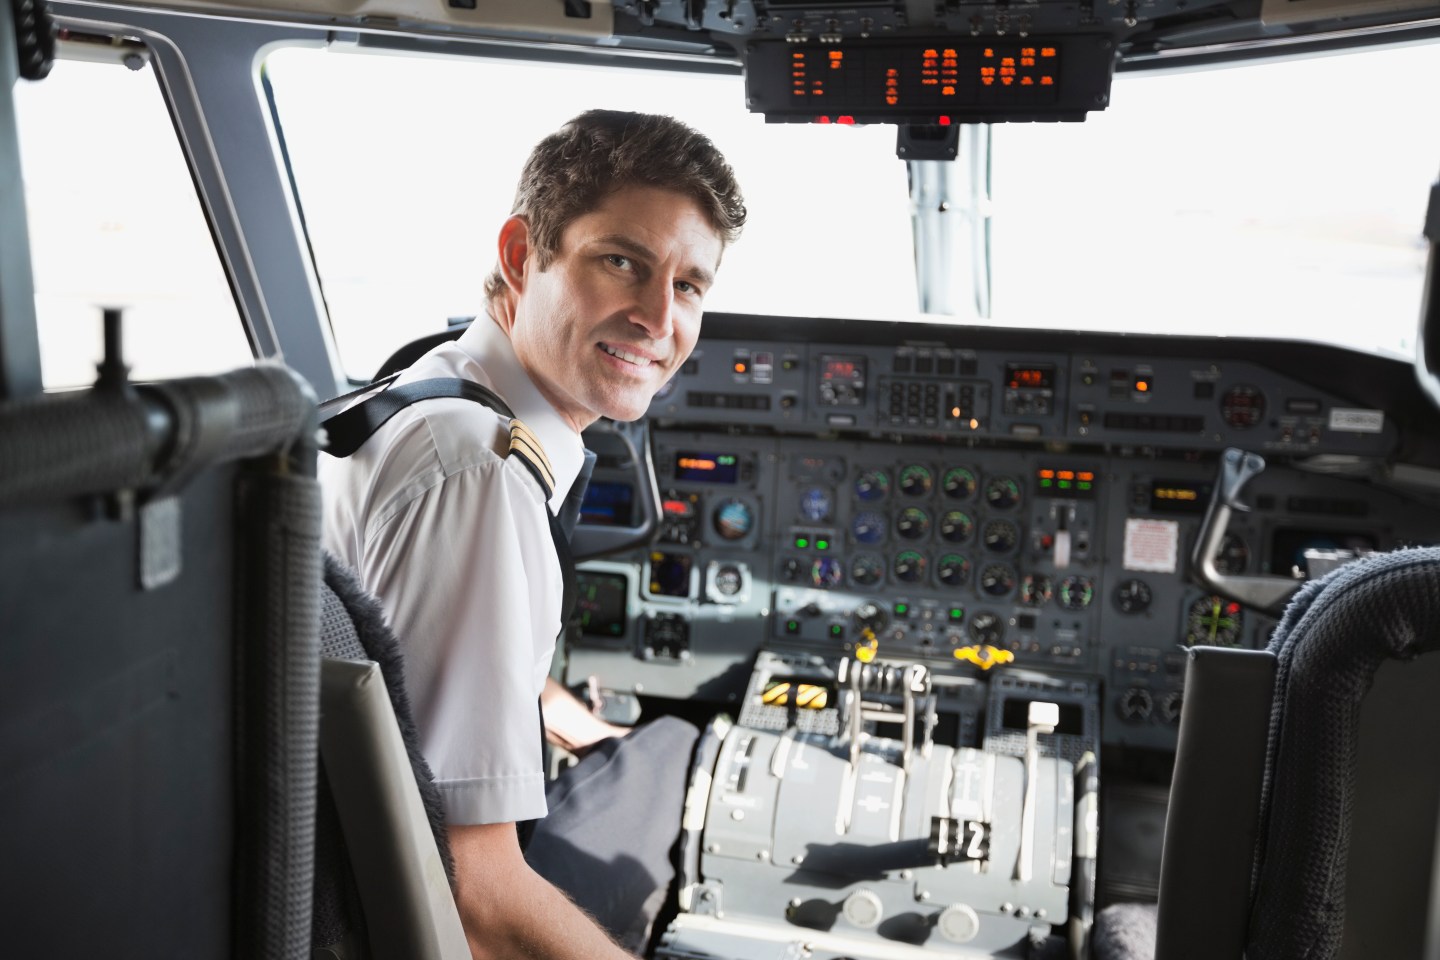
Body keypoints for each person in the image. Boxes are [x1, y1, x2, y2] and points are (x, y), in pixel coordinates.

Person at [319, 110, 746, 960]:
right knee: (679, 747)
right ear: (522, 255)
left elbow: (407, 650)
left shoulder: (435, 382)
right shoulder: (478, 475)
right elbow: (475, 898)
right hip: (401, 915)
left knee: (642, 746)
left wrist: (557, 715)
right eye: (622, 262)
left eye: (689, 285)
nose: (659, 317)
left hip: (342, 855)